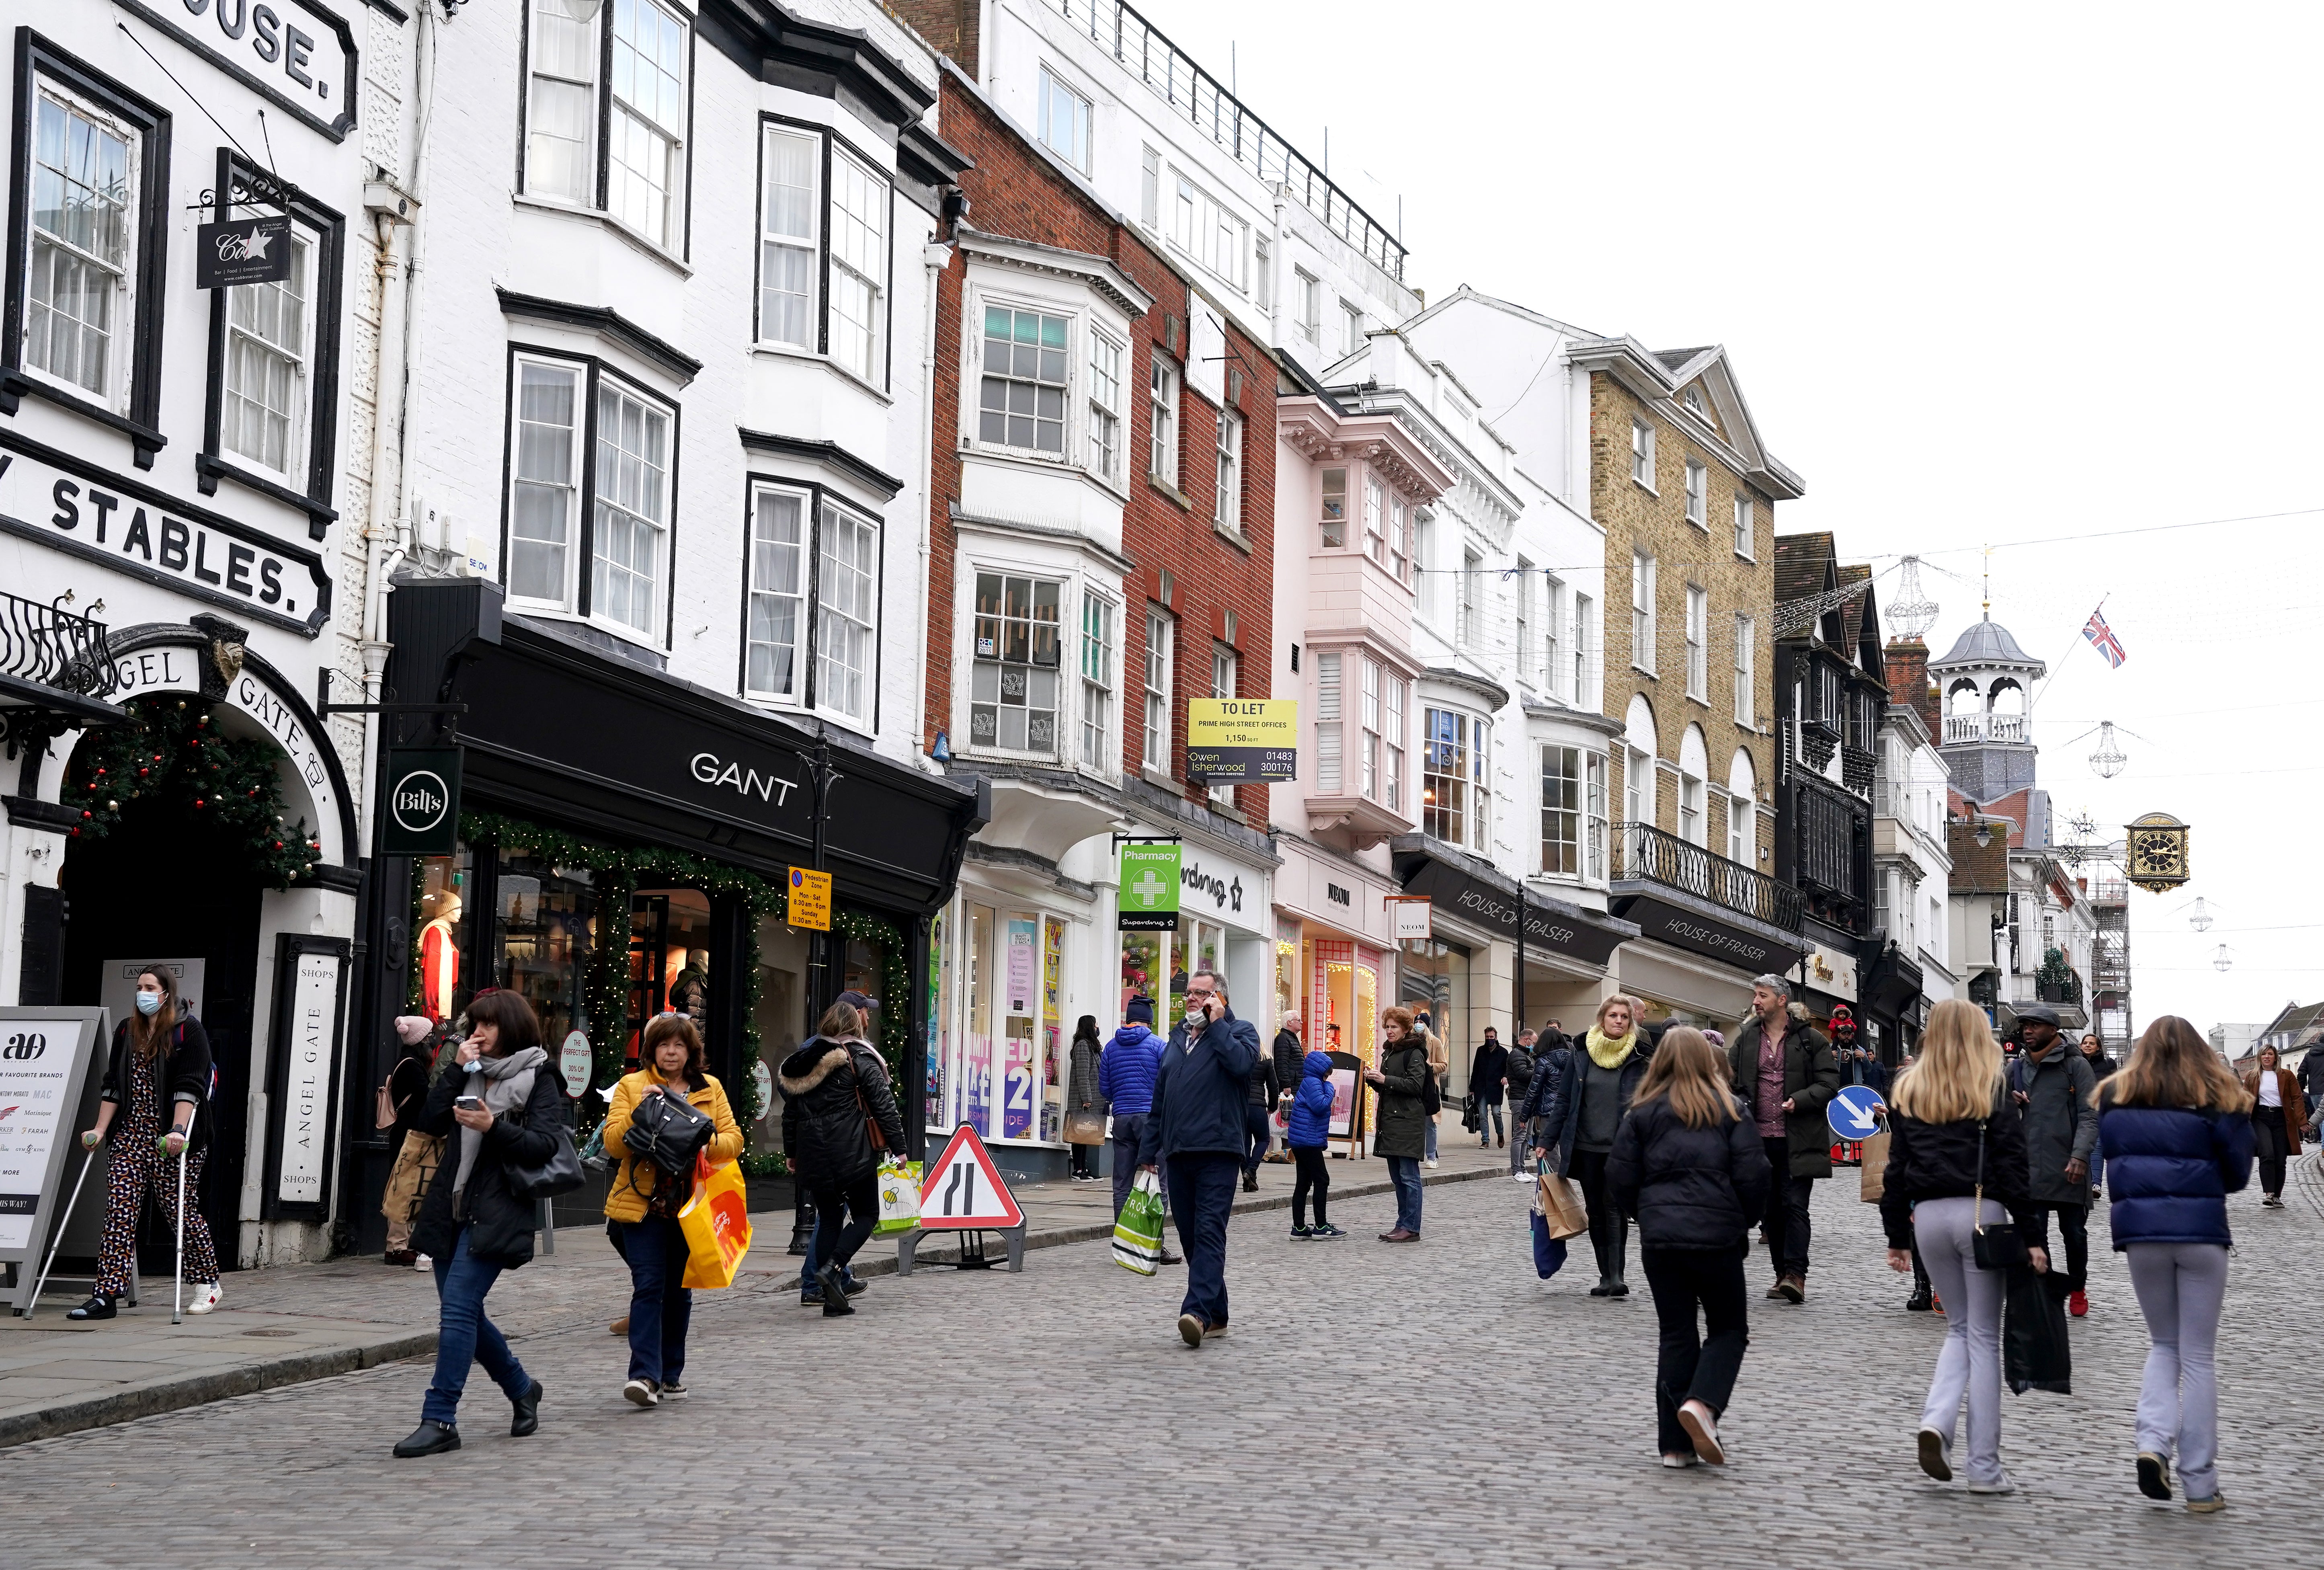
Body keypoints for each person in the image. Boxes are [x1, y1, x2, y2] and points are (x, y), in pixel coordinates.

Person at [1879, 997, 2049, 1494]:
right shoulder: (1990, 1087)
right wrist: (2034, 1236)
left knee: (1957, 1328)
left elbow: (1895, 1169)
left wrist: (1895, 1235)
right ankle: (1985, 1468)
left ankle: (1937, 1418)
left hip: (1928, 1217)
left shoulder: (1909, 1087)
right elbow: (2014, 1168)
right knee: (1983, 1337)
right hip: (1982, 1214)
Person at [392, 989, 561, 1457]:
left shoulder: (539, 1075)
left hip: (499, 1208)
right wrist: (453, 1068)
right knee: (462, 1310)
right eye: (474, 1025)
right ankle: (522, 1386)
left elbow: (545, 1144)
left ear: (511, 1026)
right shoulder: (467, 1069)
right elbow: (427, 1120)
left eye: (487, 1025)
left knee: (458, 1308)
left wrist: (495, 1127)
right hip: (452, 1203)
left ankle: (440, 1417)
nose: (478, 1033)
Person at [2099, 1015, 2253, 1514]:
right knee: (2199, 1356)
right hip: (2202, 1233)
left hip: (2142, 1235)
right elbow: (2237, 1174)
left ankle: (2152, 1441)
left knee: (2163, 1343)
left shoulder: (2114, 1100)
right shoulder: (2218, 1100)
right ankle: (2201, 1483)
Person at [1606, 1027, 1770, 1468]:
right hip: (1717, 1238)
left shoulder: (1640, 1113)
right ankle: (1703, 1404)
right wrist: (1743, 1219)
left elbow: (1619, 1176)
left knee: (1676, 1333)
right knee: (1728, 1329)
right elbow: (1755, 1176)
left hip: (1661, 1240)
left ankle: (1675, 1446)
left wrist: (1646, 1211)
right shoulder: (1732, 1110)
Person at [602, 1013, 741, 1405]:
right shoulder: (633, 1086)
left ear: (691, 1050)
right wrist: (639, 1114)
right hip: (644, 1205)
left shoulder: (709, 1088)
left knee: (679, 1292)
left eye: (679, 1044)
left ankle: (670, 1372)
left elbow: (734, 1140)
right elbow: (614, 1143)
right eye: (664, 1044)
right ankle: (644, 1377)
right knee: (648, 1286)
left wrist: (703, 1139)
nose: (671, 1051)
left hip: (690, 1207)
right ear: (652, 1049)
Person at [70, 966, 222, 1322]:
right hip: (130, 1136)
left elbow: (191, 1084)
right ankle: (106, 1294)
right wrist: (100, 1128)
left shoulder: (188, 1029)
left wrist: (178, 1131)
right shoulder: (128, 1029)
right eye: (139, 987)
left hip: (171, 1138)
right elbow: (114, 1085)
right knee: (119, 1212)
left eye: (150, 987)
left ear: (166, 992)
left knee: (179, 1211)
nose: (143, 992)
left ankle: (208, 1282)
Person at [1136, 969, 1261, 1346]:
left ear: (1219, 999)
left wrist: (1218, 1025)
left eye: (1201, 994)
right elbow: (1161, 1098)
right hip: (1179, 1151)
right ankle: (1217, 1312)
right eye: (1189, 992)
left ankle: (1195, 1312)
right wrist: (1148, 1151)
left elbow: (1242, 1067)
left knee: (1208, 1231)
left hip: (1219, 1151)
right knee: (1191, 1237)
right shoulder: (1176, 1038)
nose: (1192, 998)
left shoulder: (1240, 1032)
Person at [780, 1000, 907, 1317]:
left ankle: (831, 1299)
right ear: (855, 1025)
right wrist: (899, 1146)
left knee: (830, 1220)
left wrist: (792, 1153)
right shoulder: (860, 1058)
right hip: (852, 1152)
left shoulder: (802, 1062)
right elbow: (883, 1105)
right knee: (867, 1214)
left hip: (814, 1156)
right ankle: (834, 1267)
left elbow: (790, 1113)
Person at [1726, 974, 1838, 1304]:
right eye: (1755, 995)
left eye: (1762, 995)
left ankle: (1795, 1275)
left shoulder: (1811, 1039)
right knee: (1771, 1212)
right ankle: (1780, 1276)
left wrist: (1800, 1099)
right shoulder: (1746, 1037)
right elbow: (1729, 1080)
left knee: (1794, 1207)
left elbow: (1829, 1082)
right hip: (1757, 1139)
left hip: (1798, 1138)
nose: (1756, 1001)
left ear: (1780, 1000)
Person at [1538, 995, 1650, 1297]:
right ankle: (1604, 1275)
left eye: (1624, 1017)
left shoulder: (1639, 1055)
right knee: (1595, 1210)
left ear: (1631, 1022)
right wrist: (1547, 1140)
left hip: (1621, 1148)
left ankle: (1617, 1276)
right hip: (1586, 1146)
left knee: (1614, 1207)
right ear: (1602, 1019)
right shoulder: (1581, 1054)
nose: (1618, 1021)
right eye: (1613, 1015)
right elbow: (1564, 1100)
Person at [2009, 1003, 2098, 1318]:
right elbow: (1992, 1111)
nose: (2027, 1031)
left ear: (2052, 1030)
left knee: (2073, 1234)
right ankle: (2045, 1288)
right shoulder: (2015, 1068)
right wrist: (2008, 1100)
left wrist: (2079, 1156)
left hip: (2068, 1167)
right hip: (2029, 1166)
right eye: (2024, 1026)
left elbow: (2090, 1115)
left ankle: (2077, 1286)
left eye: (2034, 1025)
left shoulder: (2075, 1066)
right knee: (2035, 1234)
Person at [381, 1016, 446, 1268]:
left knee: (410, 1184)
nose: (433, 1042)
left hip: (409, 1132)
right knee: (404, 1185)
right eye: (430, 1038)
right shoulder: (410, 1065)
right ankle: (396, 1247)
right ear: (420, 1041)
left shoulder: (410, 1062)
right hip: (409, 1134)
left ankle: (404, 1244)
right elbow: (425, 1096)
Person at [1099, 998, 1167, 1235]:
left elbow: (1105, 1089)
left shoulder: (1110, 1047)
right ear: (1149, 1022)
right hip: (1151, 1119)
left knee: (1122, 1184)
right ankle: (1152, 1241)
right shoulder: (1158, 1045)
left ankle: (1124, 1240)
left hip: (1121, 1119)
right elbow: (1168, 1084)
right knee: (1158, 1182)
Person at [1367, 1007, 1431, 1242]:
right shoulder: (1390, 1053)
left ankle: (1411, 1227)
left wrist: (1386, 1080)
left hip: (1407, 1123)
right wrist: (1375, 1080)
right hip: (1392, 1123)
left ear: (1405, 1029)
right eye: (1387, 1027)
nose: (1390, 1031)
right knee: (1398, 1178)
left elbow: (1415, 1086)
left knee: (1409, 1177)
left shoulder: (1414, 1053)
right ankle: (1402, 1223)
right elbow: (1392, 1086)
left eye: (1394, 1027)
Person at [1286, 1048, 1341, 1239]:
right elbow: (1320, 1106)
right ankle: (1321, 1226)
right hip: (1308, 1140)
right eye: (1328, 1071)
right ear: (1321, 1070)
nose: (1329, 1075)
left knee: (1303, 1182)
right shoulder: (1314, 1083)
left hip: (1301, 1140)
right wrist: (1331, 1089)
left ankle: (1299, 1228)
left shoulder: (1311, 1082)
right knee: (1322, 1180)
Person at [2243, 1044, 2302, 1208]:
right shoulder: (2253, 1076)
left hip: (2281, 1118)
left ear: (2276, 1057)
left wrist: (2301, 1121)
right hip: (2261, 1117)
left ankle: (2277, 1195)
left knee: (2280, 1159)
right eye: (2264, 1055)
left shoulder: (2287, 1075)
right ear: (2259, 1058)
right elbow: (2246, 1098)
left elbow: (2297, 1098)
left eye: (2270, 1054)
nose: (2267, 1057)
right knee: (2267, 1153)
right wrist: (2241, 1119)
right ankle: (2269, 1193)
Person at [1518, 1026, 1571, 1185]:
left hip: (1549, 1111)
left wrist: (1524, 1115)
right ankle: (1560, 1180)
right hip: (1568, 1110)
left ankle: (1553, 1186)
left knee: (1548, 1150)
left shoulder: (1543, 1061)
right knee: (1564, 1147)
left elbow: (1534, 1090)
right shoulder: (1572, 1059)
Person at [1067, 1015, 1105, 1182]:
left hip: (1091, 1098)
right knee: (1079, 1134)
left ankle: (1084, 1168)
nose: (1098, 1028)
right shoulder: (1083, 1046)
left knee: (1086, 1135)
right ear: (1090, 1027)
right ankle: (1078, 1170)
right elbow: (1082, 1075)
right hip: (1083, 1100)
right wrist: (1086, 1098)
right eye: (1096, 1025)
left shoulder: (1092, 1046)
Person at [1240, 1045, 1280, 1193]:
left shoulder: (1240, 1058)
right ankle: (1251, 1171)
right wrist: (1273, 1106)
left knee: (1244, 1143)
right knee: (1264, 1139)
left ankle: (1248, 1180)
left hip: (1241, 1105)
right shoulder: (1266, 1060)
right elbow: (1274, 1086)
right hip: (1258, 1107)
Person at [1415, 1009, 1448, 1167]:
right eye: (1417, 1023)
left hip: (1429, 1087)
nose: (1418, 1025)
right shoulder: (1411, 1042)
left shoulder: (1435, 1042)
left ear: (1427, 1026)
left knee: (1430, 1123)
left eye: (1421, 1023)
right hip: (1414, 1086)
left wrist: (1431, 1066)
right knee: (1414, 1122)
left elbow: (1444, 1065)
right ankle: (1415, 1154)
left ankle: (1431, 1157)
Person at [1270, 1013, 1305, 1162]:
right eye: (1298, 1020)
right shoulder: (1284, 1039)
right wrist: (1286, 1084)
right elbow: (1282, 1063)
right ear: (1290, 1022)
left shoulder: (1291, 1038)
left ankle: (1290, 1154)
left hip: (1296, 1085)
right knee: (1287, 1120)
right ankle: (1288, 1154)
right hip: (1291, 1087)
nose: (1301, 1022)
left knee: (1290, 1121)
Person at [1503, 1029, 1537, 1176]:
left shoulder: (1526, 1055)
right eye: (1534, 1042)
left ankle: (1522, 1168)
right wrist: (1538, 1072)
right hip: (1519, 1099)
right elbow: (1522, 1074)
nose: (1534, 1045)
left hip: (1527, 1098)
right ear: (1527, 1040)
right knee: (1520, 1135)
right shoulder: (1517, 1054)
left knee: (1527, 1135)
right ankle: (1516, 1170)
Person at [1471, 1028, 1510, 1149]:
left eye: (1491, 1037)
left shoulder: (1503, 1052)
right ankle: (1485, 1140)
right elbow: (1475, 1069)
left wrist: (1505, 1077)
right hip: (1482, 1087)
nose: (1489, 1039)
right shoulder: (1481, 1051)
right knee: (1483, 1115)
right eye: (1487, 1037)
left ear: (1496, 1038)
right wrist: (1472, 1087)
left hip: (1496, 1087)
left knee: (1496, 1113)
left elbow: (1507, 1069)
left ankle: (1500, 1134)